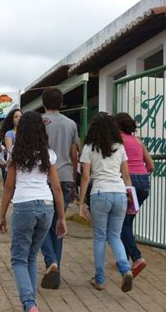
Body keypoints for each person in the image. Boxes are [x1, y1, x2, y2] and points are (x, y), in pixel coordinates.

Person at [0, 111, 67, 312]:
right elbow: (57, 188)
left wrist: (1, 215)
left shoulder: (15, 155)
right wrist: (61, 217)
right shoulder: (48, 154)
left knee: (18, 259)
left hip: (24, 206)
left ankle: (29, 305)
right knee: (31, 256)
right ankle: (31, 304)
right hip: (46, 206)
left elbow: (9, 187)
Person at [78, 113, 134, 292]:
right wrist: (130, 196)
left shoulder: (89, 147)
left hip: (100, 193)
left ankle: (100, 279)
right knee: (115, 236)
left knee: (100, 238)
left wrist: (81, 203)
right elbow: (126, 175)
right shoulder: (120, 146)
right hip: (119, 193)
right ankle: (125, 269)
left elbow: (86, 176)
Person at [39, 88, 79, 289]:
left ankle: (50, 262)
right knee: (58, 225)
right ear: (62, 102)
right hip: (64, 178)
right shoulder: (71, 124)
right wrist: (73, 183)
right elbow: (74, 155)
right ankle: (56, 269)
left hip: (43, 178)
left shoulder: (38, 122)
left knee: (41, 224)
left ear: (43, 102)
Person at [114, 113, 154, 278]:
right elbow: (151, 166)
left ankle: (137, 258)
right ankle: (124, 259)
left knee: (121, 225)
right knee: (128, 222)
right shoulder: (138, 141)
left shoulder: (118, 141)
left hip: (128, 182)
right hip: (144, 183)